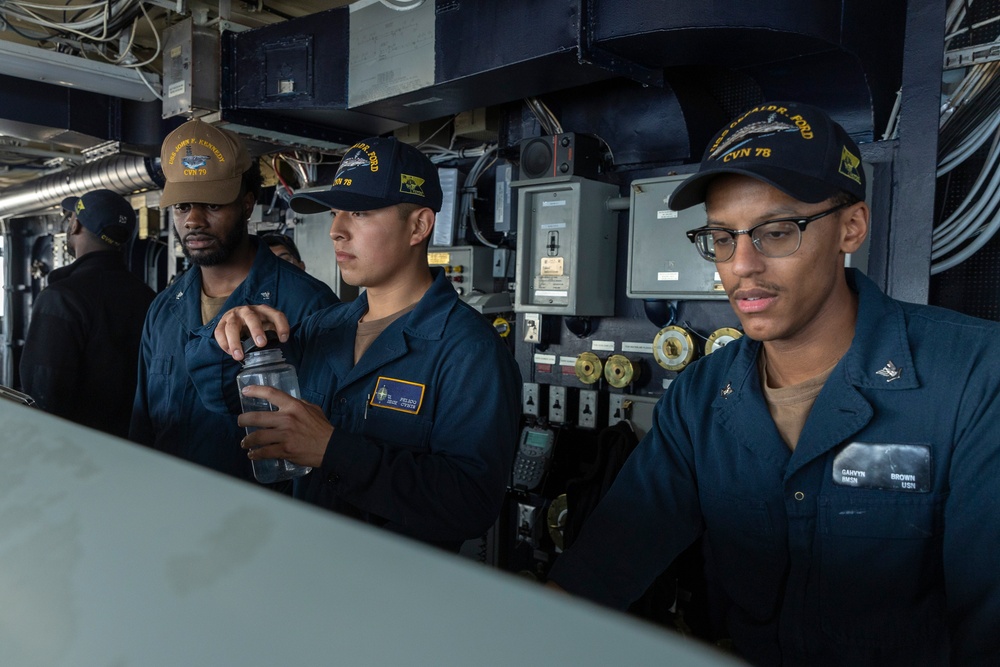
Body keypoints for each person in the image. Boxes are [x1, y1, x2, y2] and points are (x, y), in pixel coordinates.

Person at [546, 102, 1000, 665]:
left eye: (776, 232)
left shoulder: (974, 377)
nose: (741, 266)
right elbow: (606, 564)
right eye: (720, 238)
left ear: (851, 227)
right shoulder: (701, 398)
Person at [213, 137, 522, 551]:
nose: (337, 231)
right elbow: (227, 402)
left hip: (396, 595)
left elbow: (470, 503)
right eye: (337, 213)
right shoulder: (321, 328)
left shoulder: (469, 352)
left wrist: (333, 451)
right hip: (307, 567)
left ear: (418, 226)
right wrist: (230, 339)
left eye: (359, 212)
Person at [130, 118, 338, 482]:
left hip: (259, 522)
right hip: (168, 506)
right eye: (182, 207)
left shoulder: (308, 304)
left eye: (211, 205)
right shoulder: (164, 309)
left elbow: (325, 440)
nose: (193, 221)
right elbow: (143, 424)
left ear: (246, 204)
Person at [19, 189, 155, 438]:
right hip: (136, 448)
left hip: (74, 454)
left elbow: (42, 394)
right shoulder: (149, 298)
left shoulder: (61, 299)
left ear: (76, 225)